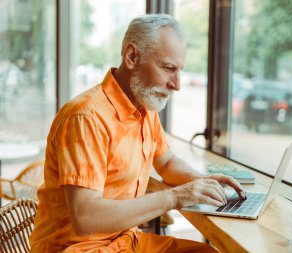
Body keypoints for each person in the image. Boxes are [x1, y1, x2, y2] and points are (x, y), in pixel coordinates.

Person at [29, 14, 245, 252]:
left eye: (179, 70)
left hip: (124, 241)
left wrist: (202, 182)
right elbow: (86, 218)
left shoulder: (144, 107)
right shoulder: (86, 117)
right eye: (168, 68)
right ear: (132, 56)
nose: (177, 84)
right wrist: (175, 197)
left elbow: (167, 162)